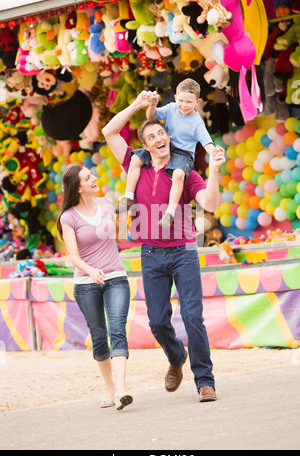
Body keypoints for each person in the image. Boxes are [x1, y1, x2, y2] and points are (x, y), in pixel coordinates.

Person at [102, 91, 226, 403]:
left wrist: (215, 169)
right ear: (144, 146)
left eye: (162, 133)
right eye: (152, 135)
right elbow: (109, 132)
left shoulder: (186, 172)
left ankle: (205, 381)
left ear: (167, 138)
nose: (159, 137)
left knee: (193, 317)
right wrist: (138, 106)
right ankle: (175, 357)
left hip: (183, 252)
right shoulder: (136, 164)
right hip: (150, 254)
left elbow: (211, 203)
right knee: (157, 321)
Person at [56, 163, 132, 411]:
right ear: (78, 188)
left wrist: (121, 215)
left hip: (116, 276)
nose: (95, 178)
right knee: (99, 336)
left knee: (118, 330)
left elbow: (118, 237)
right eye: (89, 177)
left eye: (92, 175)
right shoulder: (68, 217)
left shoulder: (106, 203)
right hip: (87, 283)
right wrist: (91, 271)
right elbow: (73, 257)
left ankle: (121, 388)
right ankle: (109, 386)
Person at [116, 79, 223, 231]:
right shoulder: (172, 108)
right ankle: (128, 196)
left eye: (189, 102)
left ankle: (170, 212)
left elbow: (207, 143)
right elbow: (151, 118)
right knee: (135, 158)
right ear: (175, 98)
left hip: (183, 154)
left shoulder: (197, 123)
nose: (184, 105)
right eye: (181, 100)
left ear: (197, 101)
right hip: (166, 147)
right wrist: (152, 105)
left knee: (178, 175)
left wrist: (214, 152)